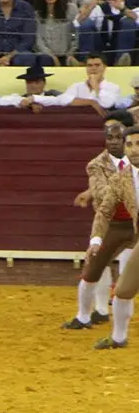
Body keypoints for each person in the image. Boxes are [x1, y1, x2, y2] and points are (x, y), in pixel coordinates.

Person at [67, 111, 137, 330]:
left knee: (128, 268)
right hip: (113, 223)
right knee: (92, 269)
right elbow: (102, 193)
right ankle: (85, 316)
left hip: (135, 223)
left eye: (118, 134)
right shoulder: (97, 164)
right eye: (109, 135)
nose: (114, 139)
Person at [90, 126, 139, 349]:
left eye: (138, 144)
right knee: (122, 292)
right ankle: (119, 338)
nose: (134, 149)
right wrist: (96, 240)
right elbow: (105, 210)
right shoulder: (122, 179)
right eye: (129, 145)